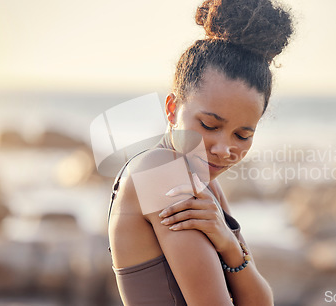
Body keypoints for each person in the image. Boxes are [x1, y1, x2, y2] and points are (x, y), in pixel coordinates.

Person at [108, 0, 293, 304]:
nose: (224, 150)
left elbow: (263, 301)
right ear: (172, 108)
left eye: (243, 135)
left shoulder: (205, 183)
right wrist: (230, 246)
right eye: (208, 125)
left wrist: (229, 245)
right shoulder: (160, 172)